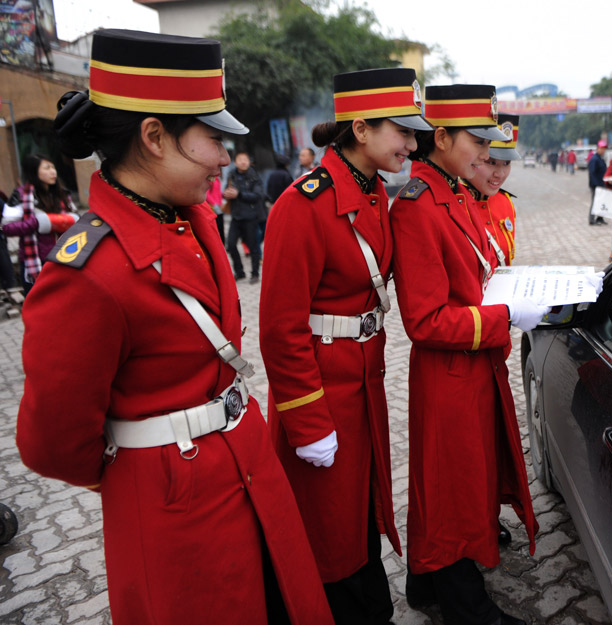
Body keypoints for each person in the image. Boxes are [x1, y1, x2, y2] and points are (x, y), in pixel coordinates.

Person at [15, 29, 334, 625]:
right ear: (154, 136)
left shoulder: (193, 219)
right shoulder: (87, 273)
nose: (222, 155)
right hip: (173, 508)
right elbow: (52, 443)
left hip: (249, 471)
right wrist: (147, 463)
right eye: (211, 137)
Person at [259, 67, 432, 625]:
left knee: (358, 513)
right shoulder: (302, 204)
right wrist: (307, 423)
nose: (411, 143)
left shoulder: (374, 191)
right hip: (322, 392)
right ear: (360, 128)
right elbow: (279, 329)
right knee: (327, 531)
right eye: (401, 131)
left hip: (365, 381)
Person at [390, 83, 544, 625]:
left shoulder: (455, 191)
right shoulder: (416, 204)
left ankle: (424, 582)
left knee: (457, 481)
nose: (486, 153)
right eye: (476, 140)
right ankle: (465, 605)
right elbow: (425, 320)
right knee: (454, 486)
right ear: (441, 137)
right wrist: (507, 317)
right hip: (449, 369)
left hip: (475, 362)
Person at [1, 154, 79, 295]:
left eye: (53, 167)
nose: (53, 171)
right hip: (36, 261)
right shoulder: (21, 195)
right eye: (47, 168)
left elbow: (77, 218)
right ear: (33, 171)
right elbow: (6, 227)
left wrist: (70, 219)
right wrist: (36, 223)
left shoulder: (62, 194)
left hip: (66, 257)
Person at [465, 113, 519, 269]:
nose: (500, 174)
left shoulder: (505, 202)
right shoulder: (454, 203)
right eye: (491, 162)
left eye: (506, 163)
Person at [224, 151, 264, 283]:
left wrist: (239, 194)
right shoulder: (232, 175)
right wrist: (226, 194)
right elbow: (226, 191)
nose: (243, 162)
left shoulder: (254, 177)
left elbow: (258, 196)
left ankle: (255, 273)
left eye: (245, 159)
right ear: (235, 162)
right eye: (240, 159)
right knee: (230, 245)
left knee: (253, 247)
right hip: (236, 216)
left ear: (249, 162)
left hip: (250, 217)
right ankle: (240, 272)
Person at [587, 139, 608, 226]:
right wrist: (596, 185)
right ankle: (591, 220)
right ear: (598, 148)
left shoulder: (600, 159)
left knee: (601, 202)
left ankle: (600, 218)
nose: (603, 150)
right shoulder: (594, 159)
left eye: (604, 148)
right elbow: (592, 173)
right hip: (596, 185)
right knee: (595, 202)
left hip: (601, 183)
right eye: (601, 148)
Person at [206, 175, 225, 241]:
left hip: (219, 208)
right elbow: (207, 194)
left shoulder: (218, 178)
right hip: (213, 208)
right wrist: (214, 204)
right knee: (215, 230)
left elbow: (219, 193)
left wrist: (221, 203)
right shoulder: (210, 178)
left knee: (221, 230)